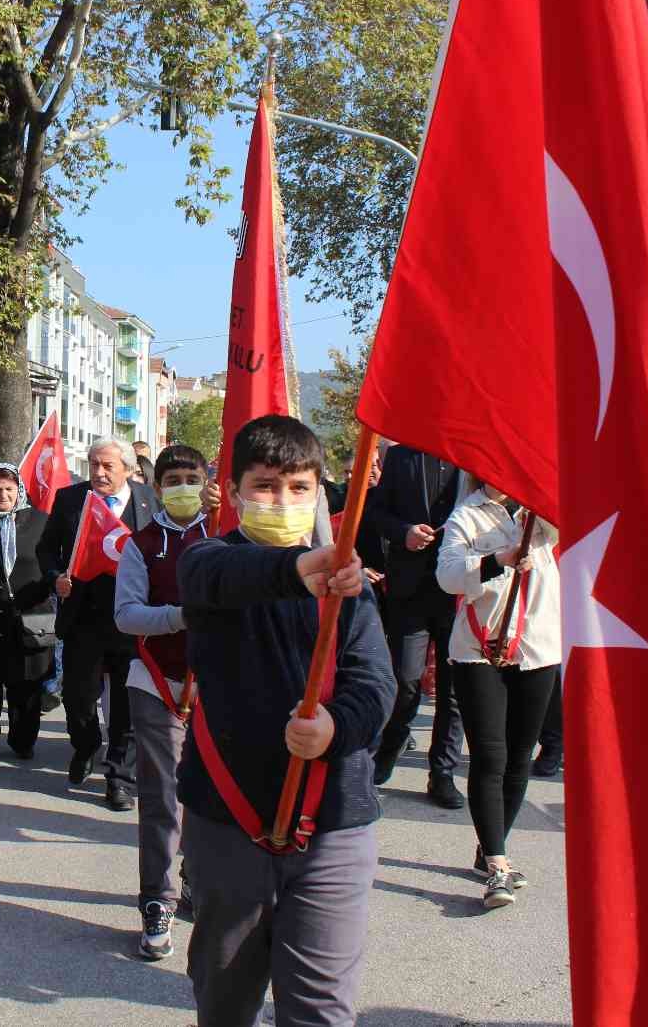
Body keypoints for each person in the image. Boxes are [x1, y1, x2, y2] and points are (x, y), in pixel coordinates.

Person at [177, 414, 393, 1027]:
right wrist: (300, 571)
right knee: (225, 999)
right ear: (237, 491)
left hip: (334, 826)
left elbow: (375, 685)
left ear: (321, 493)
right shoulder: (210, 562)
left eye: (299, 487)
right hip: (229, 822)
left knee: (321, 1010)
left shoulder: (351, 585)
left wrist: (336, 728)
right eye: (266, 485)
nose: (282, 499)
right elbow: (216, 578)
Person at [436, 476, 561, 910]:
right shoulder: (467, 514)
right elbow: (448, 575)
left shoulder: (540, 513)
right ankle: (498, 865)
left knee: (519, 756)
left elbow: (570, 527)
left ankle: (489, 845)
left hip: (537, 649)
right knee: (490, 757)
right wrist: (498, 558)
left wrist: (538, 499)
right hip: (478, 650)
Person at [113, 443, 213, 960]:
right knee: (162, 795)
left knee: (204, 791)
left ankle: (196, 877)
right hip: (155, 682)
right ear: (156, 489)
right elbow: (127, 615)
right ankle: (157, 897)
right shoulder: (141, 544)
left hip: (216, 686)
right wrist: (178, 616)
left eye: (190, 478)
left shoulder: (224, 536)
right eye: (171, 480)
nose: (181, 488)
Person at [38, 437, 160, 812]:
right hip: (82, 618)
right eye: (94, 464)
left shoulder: (149, 502)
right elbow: (46, 549)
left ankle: (119, 778)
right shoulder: (71, 499)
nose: (99, 473)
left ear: (128, 468)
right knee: (78, 697)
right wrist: (56, 576)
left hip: (130, 620)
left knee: (126, 704)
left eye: (107, 466)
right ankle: (85, 743)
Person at [363, 445, 467, 809]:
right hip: (411, 588)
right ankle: (383, 759)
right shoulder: (401, 456)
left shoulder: (473, 453)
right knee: (405, 682)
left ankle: (442, 774)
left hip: (460, 590)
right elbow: (376, 512)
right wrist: (403, 531)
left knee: (454, 693)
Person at [0, 464, 52, 779]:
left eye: (9, 489)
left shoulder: (39, 522)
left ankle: (22, 739)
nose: (3, 495)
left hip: (28, 619)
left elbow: (52, 565)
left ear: (19, 491)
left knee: (25, 690)